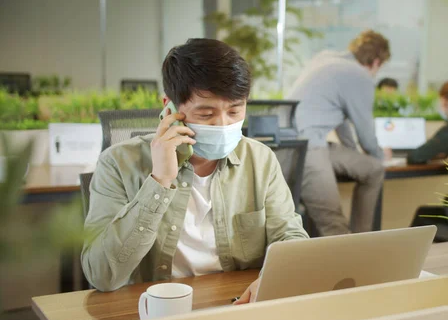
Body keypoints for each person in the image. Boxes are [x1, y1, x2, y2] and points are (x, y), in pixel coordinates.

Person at [81, 39, 309, 303]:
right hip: (156, 311)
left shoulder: (260, 159)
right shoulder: (118, 163)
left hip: (237, 305)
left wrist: (272, 280)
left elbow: (290, 236)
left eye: (235, 111)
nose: (224, 124)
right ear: (170, 107)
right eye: (206, 114)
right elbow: (101, 275)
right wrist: (160, 182)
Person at [287, 30, 392, 236]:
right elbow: (366, 135)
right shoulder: (359, 76)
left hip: (294, 144)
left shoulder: (326, 59)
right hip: (306, 148)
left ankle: (361, 240)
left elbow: (342, 122)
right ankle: (352, 255)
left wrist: (355, 156)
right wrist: (381, 155)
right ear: (377, 62)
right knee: (334, 226)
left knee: (373, 170)